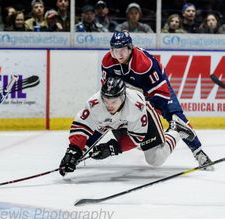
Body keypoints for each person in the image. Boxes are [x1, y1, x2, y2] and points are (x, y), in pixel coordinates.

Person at [100, 31, 213, 170]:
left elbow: (162, 94)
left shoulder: (145, 64)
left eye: (122, 50)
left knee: (175, 115)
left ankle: (199, 152)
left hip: (156, 90)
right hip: (133, 94)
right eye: (115, 50)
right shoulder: (107, 62)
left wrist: (146, 106)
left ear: (130, 48)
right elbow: (108, 93)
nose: (119, 55)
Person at [59, 77, 194, 176]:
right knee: (81, 151)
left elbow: (137, 137)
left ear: (123, 97)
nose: (109, 105)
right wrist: (73, 151)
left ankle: (176, 129)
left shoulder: (135, 106)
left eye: (114, 101)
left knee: (155, 158)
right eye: (106, 100)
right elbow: (82, 126)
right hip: (120, 123)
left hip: (144, 117)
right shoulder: (95, 104)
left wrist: (113, 148)